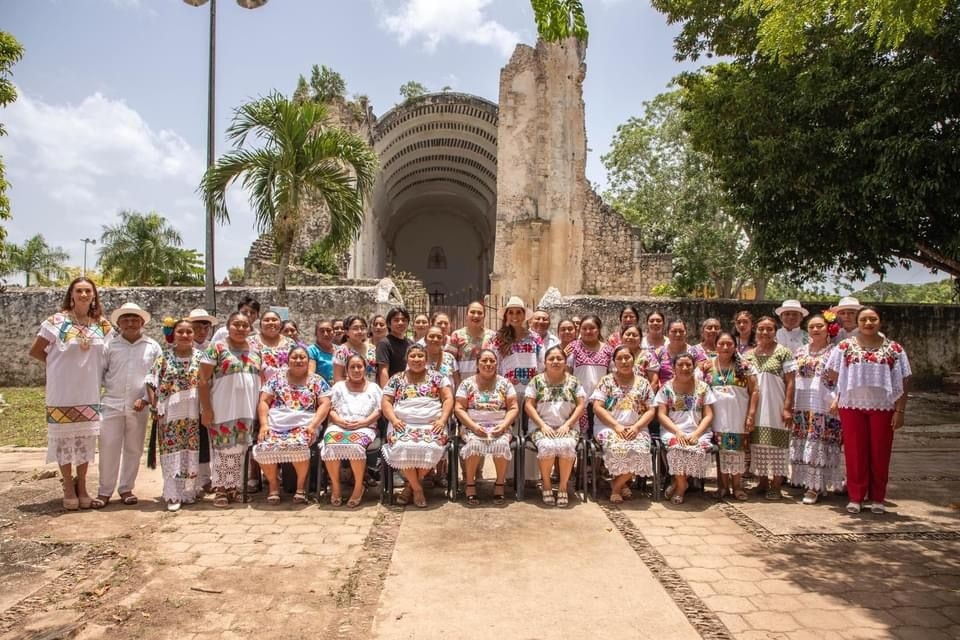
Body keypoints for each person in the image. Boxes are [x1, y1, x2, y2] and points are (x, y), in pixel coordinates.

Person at [29, 277, 112, 510]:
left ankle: (82, 484)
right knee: (64, 438)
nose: (84, 295)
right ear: (71, 295)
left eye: (88, 291)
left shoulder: (102, 325)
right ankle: (67, 484)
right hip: (62, 392)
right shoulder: (56, 321)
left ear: (94, 295)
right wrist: (59, 367)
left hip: (89, 391)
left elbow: (110, 356)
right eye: (79, 291)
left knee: (86, 439)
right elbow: (36, 351)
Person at [827, 307, 911, 515]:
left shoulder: (894, 349)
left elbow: (904, 380)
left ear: (880, 322)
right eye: (863, 319)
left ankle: (878, 497)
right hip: (851, 405)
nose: (868, 323)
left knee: (880, 452)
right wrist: (838, 396)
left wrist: (899, 411)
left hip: (883, 406)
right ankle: (856, 496)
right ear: (858, 322)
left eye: (873, 319)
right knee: (855, 452)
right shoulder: (845, 347)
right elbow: (831, 372)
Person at [95, 302, 162, 508]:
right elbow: (100, 374)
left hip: (139, 405)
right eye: (126, 320)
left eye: (135, 320)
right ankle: (104, 491)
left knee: (134, 448)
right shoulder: (109, 346)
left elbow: (157, 376)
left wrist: (145, 398)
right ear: (119, 323)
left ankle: (126, 488)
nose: (131, 323)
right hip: (112, 403)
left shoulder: (152, 346)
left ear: (142, 322)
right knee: (108, 447)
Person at [198, 312, 263, 508]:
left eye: (245, 325)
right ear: (228, 326)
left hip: (247, 408)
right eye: (237, 325)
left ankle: (235, 488)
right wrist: (206, 409)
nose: (241, 329)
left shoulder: (256, 349)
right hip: (223, 406)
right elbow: (202, 381)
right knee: (222, 448)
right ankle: (221, 489)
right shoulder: (216, 348)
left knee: (242, 447)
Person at [254, 344, 330, 505]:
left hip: (305, 424)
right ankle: (274, 486)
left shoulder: (317, 380)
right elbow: (264, 401)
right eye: (294, 357)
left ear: (308, 361)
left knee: (299, 445)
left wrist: (313, 426)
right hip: (276, 425)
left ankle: (301, 488)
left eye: (302, 357)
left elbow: (325, 404)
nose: (298, 360)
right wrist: (264, 425)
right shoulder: (276, 378)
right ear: (288, 360)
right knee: (263, 445)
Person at [381, 344, 454, 508]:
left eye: (420, 356)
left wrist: (442, 420)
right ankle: (417, 489)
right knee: (402, 446)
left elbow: (448, 399)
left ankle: (410, 487)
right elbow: (386, 401)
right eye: (412, 356)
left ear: (426, 358)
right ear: (406, 359)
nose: (416, 359)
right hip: (402, 424)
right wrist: (394, 420)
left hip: (431, 424)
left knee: (432, 448)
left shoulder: (438, 377)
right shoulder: (397, 378)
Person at [147, 318, 204, 511]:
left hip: (193, 412)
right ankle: (173, 494)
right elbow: (151, 381)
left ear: (194, 335)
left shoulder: (200, 357)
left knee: (190, 451)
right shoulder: (164, 357)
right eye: (181, 332)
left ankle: (188, 491)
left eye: (189, 332)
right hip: (170, 413)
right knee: (172, 452)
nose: (185, 335)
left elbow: (207, 383)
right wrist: (154, 406)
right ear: (174, 334)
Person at [591, 345, 657, 503]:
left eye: (627, 357)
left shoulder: (643, 383)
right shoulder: (606, 381)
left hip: (637, 428)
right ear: (614, 362)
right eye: (619, 358)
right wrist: (616, 427)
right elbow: (597, 407)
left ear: (633, 359)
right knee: (618, 447)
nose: (624, 361)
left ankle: (616, 485)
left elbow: (651, 410)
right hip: (609, 427)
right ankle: (622, 484)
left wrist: (636, 427)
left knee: (640, 450)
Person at [455, 348, 519, 506]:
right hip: (472, 426)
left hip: (500, 426)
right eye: (484, 361)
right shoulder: (467, 383)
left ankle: (499, 485)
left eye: (492, 361)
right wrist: (474, 426)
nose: (488, 364)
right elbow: (459, 408)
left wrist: (504, 425)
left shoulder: (505, 383)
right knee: (475, 444)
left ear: (497, 364)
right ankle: (470, 485)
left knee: (501, 445)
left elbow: (513, 407)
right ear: (477, 364)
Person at [790, 315, 842, 505]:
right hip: (802, 403)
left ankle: (815, 487)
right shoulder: (800, 351)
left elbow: (841, 378)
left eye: (819, 326)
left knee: (819, 441)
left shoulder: (835, 352)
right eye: (811, 326)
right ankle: (805, 480)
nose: (815, 329)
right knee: (803, 440)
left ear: (829, 328)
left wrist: (838, 398)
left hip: (823, 404)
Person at [525, 346, 586, 507]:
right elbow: (528, 405)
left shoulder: (574, 381)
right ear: (545, 362)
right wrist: (542, 425)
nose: (555, 361)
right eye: (551, 359)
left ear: (565, 362)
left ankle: (563, 487)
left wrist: (567, 424)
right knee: (547, 446)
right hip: (541, 427)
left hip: (568, 427)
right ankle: (546, 484)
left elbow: (581, 405)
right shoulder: (536, 381)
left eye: (559, 358)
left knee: (566, 445)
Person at [745, 316, 797, 500]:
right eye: (761, 329)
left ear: (775, 331)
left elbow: (790, 382)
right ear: (756, 331)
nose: (765, 333)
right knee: (758, 444)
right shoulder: (749, 355)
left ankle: (776, 485)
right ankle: (762, 482)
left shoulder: (784, 352)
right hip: (756, 406)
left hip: (776, 404)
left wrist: (787, 407)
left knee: (778, 445)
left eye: (769, 329)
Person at [701, 333, 758, 501]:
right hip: (716, 417)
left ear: (734, 346)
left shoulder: (745, 366)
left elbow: (755, 390)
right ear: (716, 345)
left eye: (729, 344)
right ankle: (723, 486)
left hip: (738, 416)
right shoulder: (706, 366)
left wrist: (751, 414)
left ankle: (738, 486)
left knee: (737, 451)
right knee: (721, 451)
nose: (725, 347)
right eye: (722, 344)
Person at [656, 352, 717, 505]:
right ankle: (682, 485)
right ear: (673, 368)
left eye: (688, 365)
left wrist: (696, 434)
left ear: (694, 366)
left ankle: (677, 484)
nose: (685, 368)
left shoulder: (703, 388)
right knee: (677, 448)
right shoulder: (666, 388)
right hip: (673, 430)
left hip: (698, 431)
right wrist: (677, 432)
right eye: (680, 365)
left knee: (697, 449)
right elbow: (662, 415)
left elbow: (708, 415)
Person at [322, 353, 382, 507]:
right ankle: (336, 487)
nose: (356, 370)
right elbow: (330, 409)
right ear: (347, 370)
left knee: (355, 445)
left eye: (359, 366)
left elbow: (380, 410)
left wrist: (364, 422)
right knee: (330, 443)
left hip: (366, 427)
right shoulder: (338, 387)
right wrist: (339, 421)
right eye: (352, 367)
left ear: (365, 368)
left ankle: (358, 487)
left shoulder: (374, 388)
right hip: (339, 425)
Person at [566, 314, 614, 433]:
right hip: (578, 398)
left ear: (598, 329)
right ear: (580, 330)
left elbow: (612, 375)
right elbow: (567, 373)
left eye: (592, 328)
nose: (588, 331)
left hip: (601, 399)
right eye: (584, 328)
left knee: (599, 433)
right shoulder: (573, 348)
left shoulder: (608, 350)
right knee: (581, 438)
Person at [446, 301, 496, 379]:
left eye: (480, 313)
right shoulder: (457, 335)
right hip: (463, 385)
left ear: (484, 316)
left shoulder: (492, 336)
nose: (476, 316)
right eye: (472, 312)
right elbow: (448, 360)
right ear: (466, 315)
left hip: (487, 383)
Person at [249, 310, 296, 382]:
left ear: (280, 324)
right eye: (266, 320)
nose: (271, 322)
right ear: (260, 325)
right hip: (257, 385)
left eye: (274, 320)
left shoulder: (290, 343)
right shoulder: (250, 341)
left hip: (285, 386)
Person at [657, 320, 707, 385]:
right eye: (674, 331)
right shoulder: (658, 353)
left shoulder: (696, 353)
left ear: (686, 333)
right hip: (664, 392)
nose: (678, 334)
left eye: (681, 331)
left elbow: (701, 374)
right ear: (667, 333)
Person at [333, 315, 378, 383]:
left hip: (371, 391)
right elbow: (338, 378)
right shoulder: (341, 351)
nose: (360, 331)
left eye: (362, 328)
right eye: (355, 328)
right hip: (350, 391)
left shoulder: (372, 349)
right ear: (346, 332)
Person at [377, 306, 413, 387]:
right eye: (396, 320)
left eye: (404, 320)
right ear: (389, 324)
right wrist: (387, 393)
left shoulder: (411, 344)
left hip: (409, 388)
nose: (400, 323)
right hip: (393, 388)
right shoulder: (384, 344)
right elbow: (383, 370)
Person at [619, 325, 660, 390]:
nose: (631, 337)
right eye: (628, 334)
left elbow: (654, 382)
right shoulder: (615, 355)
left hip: (641, 397)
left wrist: (646, 398)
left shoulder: (648, 357)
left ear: (640, 339)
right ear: (621, 337)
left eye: (635, 335)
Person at [307, 319, 336, 385]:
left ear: (334, 333)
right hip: (320, 387)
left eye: (328, 330)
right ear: (316, 334)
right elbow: (311, 374)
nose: (325, 334)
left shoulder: (340, 350)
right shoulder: (311, 350)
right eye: (322, 331)